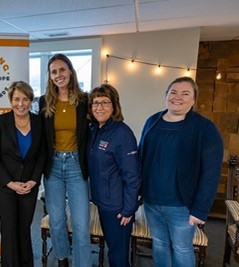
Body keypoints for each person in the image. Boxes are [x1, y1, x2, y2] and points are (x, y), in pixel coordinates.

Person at [139, 76, 223, 266]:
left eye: (186, 93)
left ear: (193, 100)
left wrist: (200, 209)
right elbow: (142, 159)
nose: (178, 97)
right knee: (159, 244)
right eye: (173, 92)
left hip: (182, 207)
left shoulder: (205, 129)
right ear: (166, 95)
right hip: (152, 202)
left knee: (182, 248)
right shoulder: (152, 121)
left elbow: (211, 173)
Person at [39, 53, 91, 267]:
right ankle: (62, 259)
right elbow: (42, 137)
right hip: (54, 167)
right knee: (57, 221)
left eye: (62, 70)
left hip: (76, 164)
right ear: (50, 77)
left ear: (70, 71)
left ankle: (82, 263)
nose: (58, 75)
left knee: (80, 224)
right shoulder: (44, 102)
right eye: (54, 72)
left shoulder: (84, 100)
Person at [0, 81, 46, 267]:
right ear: (10, 100)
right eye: (17, 99)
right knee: (10, 229)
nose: (21, 104)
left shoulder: (39, 122)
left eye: (25, 99)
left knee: (24, 228)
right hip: (5, 186)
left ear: (31, 101)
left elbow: (43, 154)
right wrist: (10, 183)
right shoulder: (0, 122)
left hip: (29, 185)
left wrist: (34, 180)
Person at [87, 84, 141, 267]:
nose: (99, 107)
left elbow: (132, 175)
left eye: (105, 102)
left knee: (118, 255)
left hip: (117, 207)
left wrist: (129, 208)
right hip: (103, 202)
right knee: (113, 248)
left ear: (114, 106)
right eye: (95, 103)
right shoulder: (95, 130)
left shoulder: (122, 133)